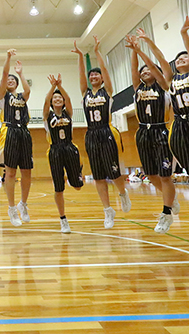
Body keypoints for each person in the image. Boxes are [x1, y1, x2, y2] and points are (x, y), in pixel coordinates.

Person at [72, 36, 131, 229]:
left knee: (114, 172)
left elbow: (105, 70)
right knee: (97, 175)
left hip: (106, 132)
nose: (93, 77)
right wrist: (80, 57)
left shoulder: (108, 92)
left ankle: (122, 194)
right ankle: (108, 211)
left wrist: (97, 52)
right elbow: (81, 75)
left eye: (96, 76)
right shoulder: (85, 94)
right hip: (91, 134)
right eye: (91, 76)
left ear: (102, 78)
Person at [125, 34, 178, 233]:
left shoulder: (163, 86)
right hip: (142, 133)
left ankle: (166, 213)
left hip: (160, 130)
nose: (146, 71)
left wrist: (141, 50)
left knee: (165, 175)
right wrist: (133, 52)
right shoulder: (137, 88)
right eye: (143, 70)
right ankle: (171, 200)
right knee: (150, 173)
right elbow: (133, 70)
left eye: (149, 69)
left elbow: (156, 70)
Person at [0, 49, 33, 226]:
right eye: (8, 80)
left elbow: (27, 90)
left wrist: (20, 73)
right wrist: (8, 58)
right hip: (9, 132)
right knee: (10, 172)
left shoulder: (21, 96)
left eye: (13, 80)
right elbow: (4, 75)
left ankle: (23, 204)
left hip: (24, 132)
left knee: (27, 172)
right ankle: (11, 209)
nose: (10, 80)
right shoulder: (3, 97)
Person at [43, 74, 83, 233]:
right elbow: (46, 102)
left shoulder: (69, 113)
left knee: (78, 187)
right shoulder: (48, 116)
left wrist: (60, 86)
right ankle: (63, 219)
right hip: (55, 151)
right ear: (52, 102)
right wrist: (53, 87)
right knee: (58, 188)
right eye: (55, 98)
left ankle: (74, 173)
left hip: (70, 149)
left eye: (60, 98)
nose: (58, 99)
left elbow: (69, 99)